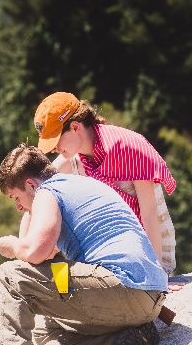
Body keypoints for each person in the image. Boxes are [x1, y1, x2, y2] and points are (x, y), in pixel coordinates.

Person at [0, 146, 168, 345]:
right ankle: (118, 341)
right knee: (47, 328)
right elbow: (50, 260)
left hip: (124, 288)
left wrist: (13, 245)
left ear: (31, 185)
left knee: (7, 277)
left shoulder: (47, 192)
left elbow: (35, 252)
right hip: (149, 298)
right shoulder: (78, 184)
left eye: (16, 197)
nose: (18, 206)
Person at [34, 92, 178, 274]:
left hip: (150, 251)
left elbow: (149, 215)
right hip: (110, 250)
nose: (53, 148)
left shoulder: (128, 147)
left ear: (75, 127)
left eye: (55, 140)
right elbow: (38, 191)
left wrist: (156, 276)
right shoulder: (71, 160)